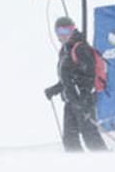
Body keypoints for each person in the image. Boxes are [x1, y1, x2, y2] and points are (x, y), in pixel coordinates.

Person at [44, 16, 107, 152]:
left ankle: (106, 161)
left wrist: (84, 101)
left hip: (83, 101)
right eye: (60, 31)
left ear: (73, 29)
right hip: (71, 101)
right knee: (69, 139)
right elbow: (68, 79)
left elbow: (87, 76)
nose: (63, 35)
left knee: (90, 137)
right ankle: (77, 166)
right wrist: (54, 90)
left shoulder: (81, 48)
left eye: (66, 31)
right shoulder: (65, 50)